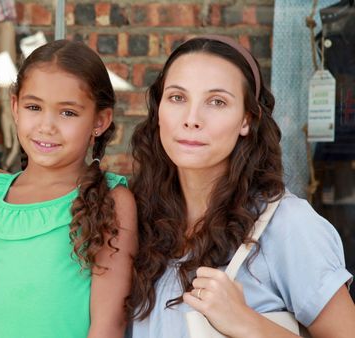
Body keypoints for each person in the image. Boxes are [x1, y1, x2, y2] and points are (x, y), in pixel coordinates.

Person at [128, 35, 355, 337]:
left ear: (247, 119)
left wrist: (246, 322)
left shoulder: (288, 225)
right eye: (177, 98)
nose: (192, 119)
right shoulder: (137, 219)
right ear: (159, 111)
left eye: (217, 102)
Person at [0, 40, 138, 338]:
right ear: (15, 107)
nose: (47, 126)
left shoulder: (112, 201)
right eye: (34, 107)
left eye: (68, 113)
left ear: (99, 121)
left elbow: (108, 323)